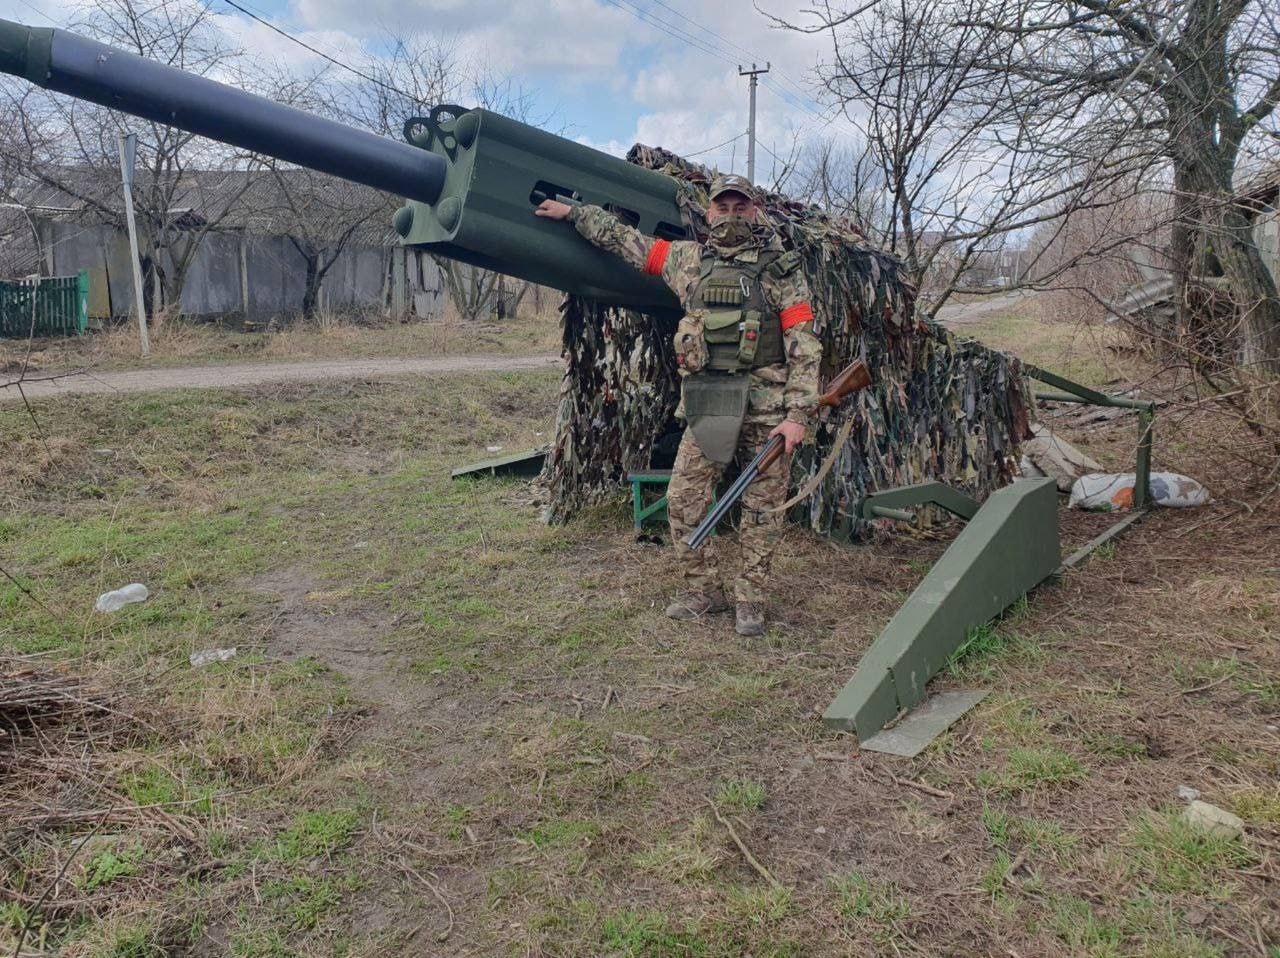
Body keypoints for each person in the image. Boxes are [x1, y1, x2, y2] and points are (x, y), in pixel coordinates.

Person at [536, 174, 821, 636]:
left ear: (755, 212)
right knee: (684, 500)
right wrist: (574, 214)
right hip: (709, 405)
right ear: (709, 213)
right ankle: (704, 591)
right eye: (723, 207)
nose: (731, 216)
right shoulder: (687, 260)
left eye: (741, 208)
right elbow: (625, 241)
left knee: (762, 511)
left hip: (767, 411)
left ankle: (751, 600)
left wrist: (797, 416)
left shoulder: (781, 270)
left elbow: (803, 343)